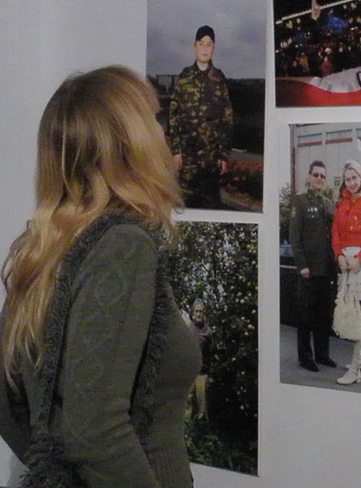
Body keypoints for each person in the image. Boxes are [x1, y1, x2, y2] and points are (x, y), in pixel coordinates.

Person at [0, 66, 199, 487]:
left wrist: (58, 473)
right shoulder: (123, 244)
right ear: (127, 143)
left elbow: (6, 400)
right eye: (154, 120)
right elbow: (93, 431)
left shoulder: (45, 246)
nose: (163, 133)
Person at [169, 25, 233, 209]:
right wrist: (176, 150)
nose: (205, 48)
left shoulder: (219, 79)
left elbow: (227, 118)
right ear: (194, 47)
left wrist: (223, 154)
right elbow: (174, 114)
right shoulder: (184, 77)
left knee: (211, 206)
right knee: (185, 206)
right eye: (201, 44)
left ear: (214, 48)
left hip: (211, 160)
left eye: (209, 44)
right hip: (187, 158)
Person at [331, 161, 361, 385]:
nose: (351, 183)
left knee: (357, 313)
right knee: (352, 310)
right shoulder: (341, 203)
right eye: (347, 179)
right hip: (345, 262)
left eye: (354, 178)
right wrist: (339, 256)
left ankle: (355, 369)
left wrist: (359, 258)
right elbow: (335, 233)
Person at [289, 161, 337, 372]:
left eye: (322, 176)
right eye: (316, 175)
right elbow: (294, 236)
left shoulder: (328, 203)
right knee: (305, 317)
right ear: (309, 176)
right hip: (308, 270)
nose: (319, 179)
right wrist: (302, 265)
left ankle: (322, 354)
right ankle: (305, 357)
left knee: (323, 316)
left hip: (325, 269)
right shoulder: (299, 202)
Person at [187, 298, 213, 420]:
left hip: (202, 372)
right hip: (189, 371)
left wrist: (211, 374)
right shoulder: (187, 330)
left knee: (201, 400)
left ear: (204, 314)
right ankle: (188, 426)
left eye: (201, 311)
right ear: (193, 313)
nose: (198, 314)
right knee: (188, 400)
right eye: (196, 311)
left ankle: (201, 427)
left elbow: (211, 353)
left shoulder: (208, 332)